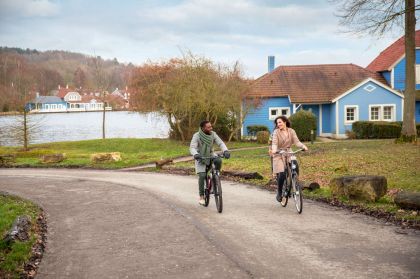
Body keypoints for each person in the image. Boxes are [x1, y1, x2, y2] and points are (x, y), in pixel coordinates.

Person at [190, 120, 230, 205]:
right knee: (202, 175)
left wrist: (225, 151)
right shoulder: (196, 136)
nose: (211, 128)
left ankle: (216, 175)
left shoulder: (213, 134)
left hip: (211, 154)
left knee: (218, 160)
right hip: (200, 157)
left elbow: (220, 143)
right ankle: (201, 197)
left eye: (211, 126)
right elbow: (192, 147)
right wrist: (196, 154)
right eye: (208, 127)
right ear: (203, 128)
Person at [271, 115, 308, 202]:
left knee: (295, 167)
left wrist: (303, 146)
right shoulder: (276, 132)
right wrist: (274, 149)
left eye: (280, 122)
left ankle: (294, 184)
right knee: (282, 173)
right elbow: (274, 143)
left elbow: (297, 142)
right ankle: (279, 192)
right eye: (277, 123)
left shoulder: (291, 131)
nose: (278, 124)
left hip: (288, 152)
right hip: (279, 153)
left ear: (285, 122)